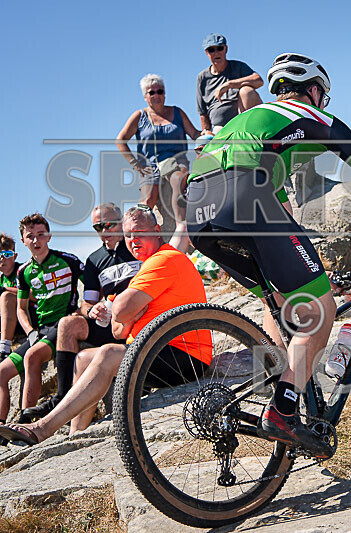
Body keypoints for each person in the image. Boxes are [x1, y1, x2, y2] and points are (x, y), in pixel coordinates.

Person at [186, 52, 351, 458]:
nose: (322, 102)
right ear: (313, 90)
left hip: (198, 206)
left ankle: (286, 396)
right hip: (246, 193)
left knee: (286, 300)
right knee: (321, 310)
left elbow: (280, 211)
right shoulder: (315, 118)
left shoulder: (252, 122)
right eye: (322, 95)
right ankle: (283, 408)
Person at [0, 207, 211, 445]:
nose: (133, 240)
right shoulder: (141, 266)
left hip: (184, 356)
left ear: (157, 231)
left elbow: (119, 312)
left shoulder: (164, 259)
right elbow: (117, 330)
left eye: (140, 232)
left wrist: (125, 311)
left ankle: (41, 428)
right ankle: (75, 437)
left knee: (109, 352)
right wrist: (126, 312)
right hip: (153, 350)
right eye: (129, 235)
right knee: (84, 358)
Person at [20, 203, 141, 421]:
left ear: (121, 222)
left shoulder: (137, 246)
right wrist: (93, 309)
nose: (103, 232)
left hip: (142, 319)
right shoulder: (95, 260)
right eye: (97, 228)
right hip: (112, 325)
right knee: (68, 323)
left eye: (108, 225)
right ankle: (62, 396)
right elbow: (86, 303)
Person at [0, 214, 83, 427]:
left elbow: (92, 283)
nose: (36, 241)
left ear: (49, 236)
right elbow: (21, 308)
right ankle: (3, 426)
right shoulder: (23, 271)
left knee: (32, 356)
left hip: (64, 326)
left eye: (41, 235)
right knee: (1, 372)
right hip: (41, 331)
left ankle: (26, 422)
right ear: (23, 241)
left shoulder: (68, 260)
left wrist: (86, 311)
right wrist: (29, 331)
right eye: (31, 236)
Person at [116, 74, 203, 253]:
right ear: (145, 96)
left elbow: (194, 133)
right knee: (149, 198)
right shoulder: (140, 116)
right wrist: (135, 163)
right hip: (149, 164)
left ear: (165, 93)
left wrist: (206, 135)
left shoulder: (177, 112)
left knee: (178, 180)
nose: (156, 95)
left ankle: (182, 227)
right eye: (151, 92)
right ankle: (135, 233)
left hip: (175, 159)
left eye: (160, 91)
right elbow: (120, 140)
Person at [196, 33, 263, 134]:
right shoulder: (202, 78)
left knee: (246, 91)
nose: (216, 53)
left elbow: (259, 81)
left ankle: (254, 131)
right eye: (211, 50)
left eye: (219, 48)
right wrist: (206, 131)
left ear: (226, 49)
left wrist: (229, 84)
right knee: (207, 142)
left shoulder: (238, 67)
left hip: (245, 121)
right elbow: (202, 113)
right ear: (206, 52)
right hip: (221, 127)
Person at [0, 234, 21, 360]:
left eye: (7, 254)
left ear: (15, 256)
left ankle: (4, 349)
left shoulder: (23, 271)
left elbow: (35, 295)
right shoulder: (1, 279)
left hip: (27, 314)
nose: (2, 259)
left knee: (6, 296)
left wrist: (5, 290)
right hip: (7, 319)